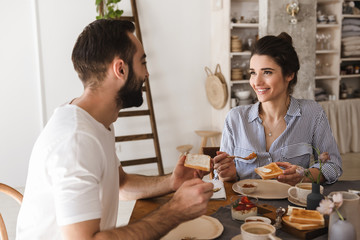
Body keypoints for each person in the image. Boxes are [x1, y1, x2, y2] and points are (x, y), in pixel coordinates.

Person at [16, 19, 214, 240]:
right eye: (143, 63)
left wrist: (171, 182)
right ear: (120, 69)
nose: (147, 74)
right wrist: (176, 210)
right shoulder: (76, 140)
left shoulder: (97, 121)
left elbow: (121, 185)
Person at [213, 32, 342, 186]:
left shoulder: (312, 113)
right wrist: (227, 175)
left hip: (294, 207)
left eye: (267, 72)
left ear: (289, 74)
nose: (257, 82)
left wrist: (304, 175)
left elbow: (333, 166)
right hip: (246, 207)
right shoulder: (235, 118)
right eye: (253, 73)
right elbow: (220, 180)